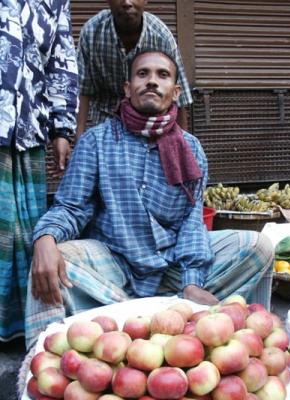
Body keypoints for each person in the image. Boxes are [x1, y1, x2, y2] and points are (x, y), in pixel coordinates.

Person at [25, 50, 274, 350]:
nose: (152, 81)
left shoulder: (191, 150)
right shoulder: (97, 141)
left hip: (169, 263)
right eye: (143, 74)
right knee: (53, 259)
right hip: (114, 263)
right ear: (128, 89)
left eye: (162, 75)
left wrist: (191, 281)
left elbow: (191, 223)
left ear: (175, 91)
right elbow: (71, 207)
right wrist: (45, 237)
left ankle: (248, 343)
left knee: (258, 247)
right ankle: (42, 360)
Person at [0, 0, 78, 342]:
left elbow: (61, 63)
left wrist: (62, 129)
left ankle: (17, 327)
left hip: (27, 131)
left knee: (23, 232)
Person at [76, 0, 193, 138]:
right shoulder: (92, 32)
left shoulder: (161, 36)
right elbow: (82, 89)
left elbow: (179, 99)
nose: (127, 2)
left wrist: (182, 143)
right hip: (105, 121)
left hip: (151, 123)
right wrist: (79, 138)